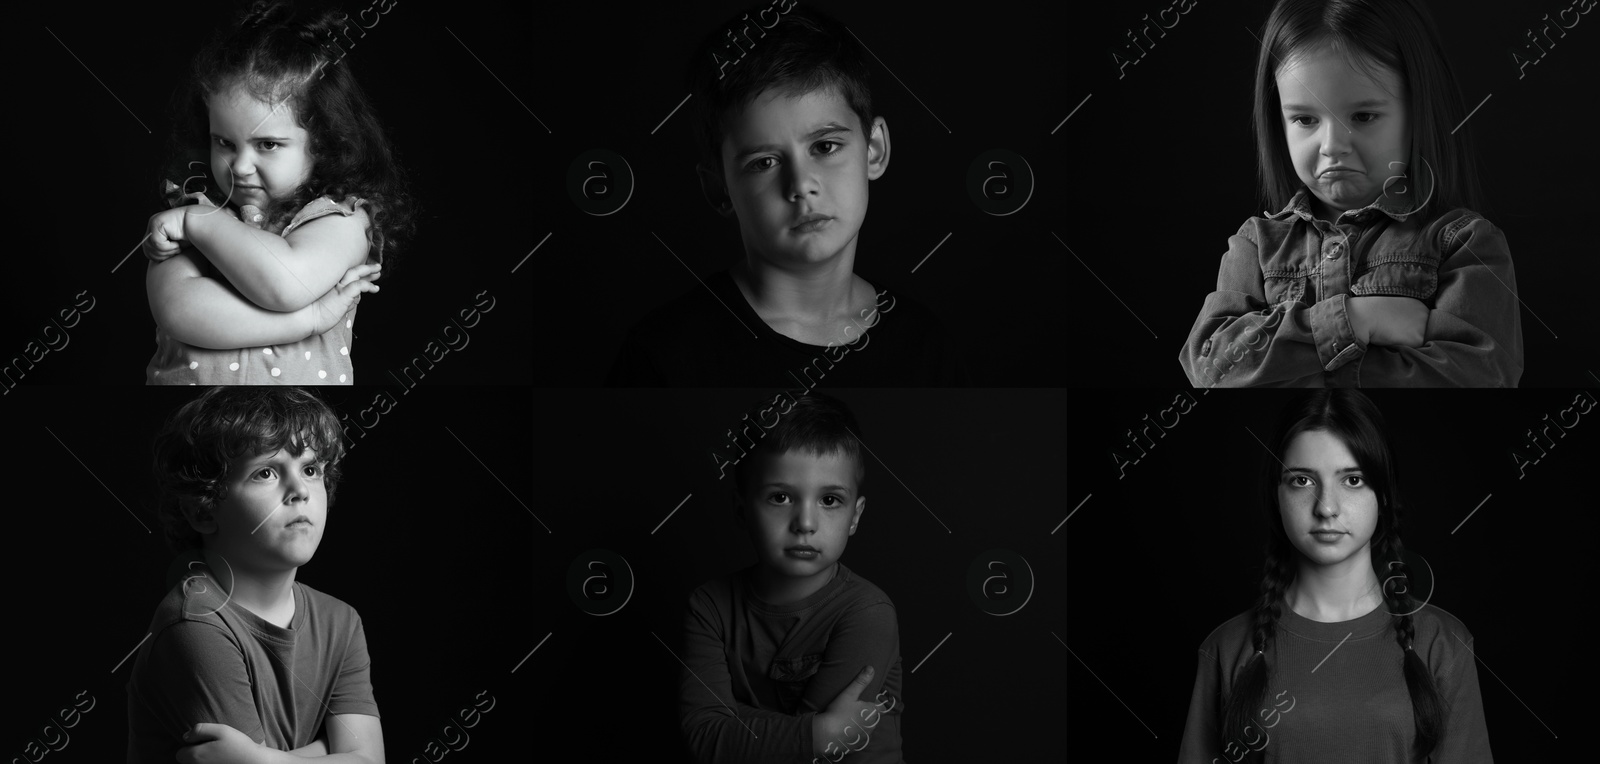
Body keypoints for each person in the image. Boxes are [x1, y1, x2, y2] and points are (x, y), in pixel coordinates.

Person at [607, 2, 967, 386]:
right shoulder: (663, 354)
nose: (800, 185)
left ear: (873, 150)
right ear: (718, 188)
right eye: (764, 163)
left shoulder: (925, 344)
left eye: (825, 147)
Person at [1178, 0, 1521, 387]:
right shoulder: (1255, 245)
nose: (1332, 145)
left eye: (1363, 116)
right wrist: (1358, 319)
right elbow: (1210, 369)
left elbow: (1479, 378)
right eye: (1305, 119)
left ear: (1417, 111)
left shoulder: (1463, 243)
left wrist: (1290, 369)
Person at [1177, 389, 1492, 762]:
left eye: (1353, 480)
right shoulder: (1226, 648)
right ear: (1275, 495)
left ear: (1384, 494)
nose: (1326, 507)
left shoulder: (1444, 643)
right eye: (1302, 480)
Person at [144, 0, 415, 385]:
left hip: (294, 416)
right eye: (224, 142)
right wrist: (309, 321)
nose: (238, 166)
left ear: (322, 141)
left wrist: (198, 225)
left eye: (267, 145)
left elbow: (285, 284)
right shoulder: (193, 206)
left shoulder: (341, 218)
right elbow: (179, 311)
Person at [127, 387, 384, 763]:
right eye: (265, 472)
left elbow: (372, 759)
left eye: (311, 469)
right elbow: (359, 756)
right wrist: (333, 751)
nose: (300, 491)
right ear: (203, 511)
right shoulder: (195, 625)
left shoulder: (341, 621)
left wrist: (264, 760)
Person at [679, 392, 906, 762]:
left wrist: (732, 720)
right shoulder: (709, 607)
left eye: (829, 500)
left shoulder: (867, 613)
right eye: (781, 497)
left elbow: (819, 756)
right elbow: (704, 736)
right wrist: (818, 731)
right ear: (742, 509)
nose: (805, 524)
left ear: (855, 516)